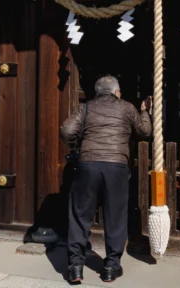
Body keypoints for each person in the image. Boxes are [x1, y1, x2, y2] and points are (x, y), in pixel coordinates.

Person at [61, 75, 151, 284]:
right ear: (116, 92)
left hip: (88, 164)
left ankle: (75, 267)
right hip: (116, 166)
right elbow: (144, 132)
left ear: (97, 92)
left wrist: (77, 145)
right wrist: (145, 111)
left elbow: (67, 130)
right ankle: (111, 266)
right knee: (116, 216)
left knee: (80, 215)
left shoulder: (85, 108)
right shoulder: (127, 108)